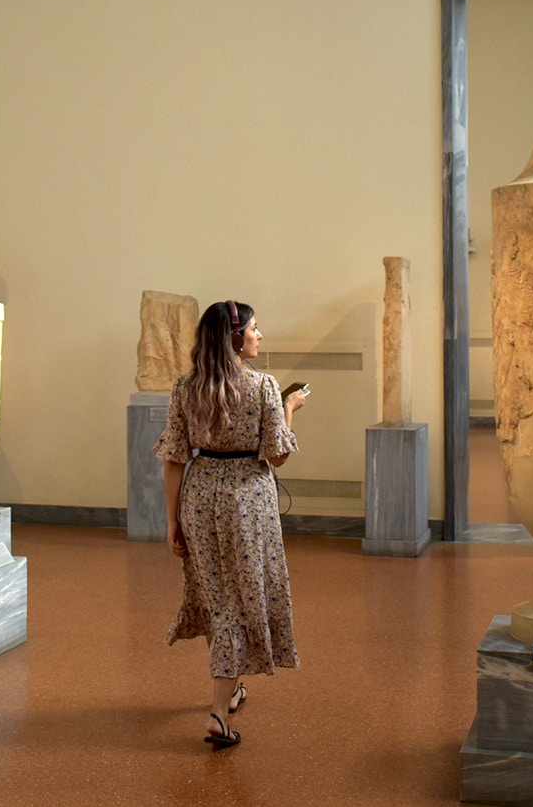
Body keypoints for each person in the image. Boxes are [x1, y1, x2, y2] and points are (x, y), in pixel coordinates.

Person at [155, 300, 308, 751]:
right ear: (236, 338)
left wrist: (171, 521)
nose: (261, 336)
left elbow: (173, 460)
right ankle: (219, 714)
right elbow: (276, 454)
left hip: (200, 497)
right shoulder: (264, 387)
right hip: (247, 500)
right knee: (237, 604)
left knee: (217, 595)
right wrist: (291, 407)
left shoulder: (186, 388)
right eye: (256, 330)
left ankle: (233, 688)